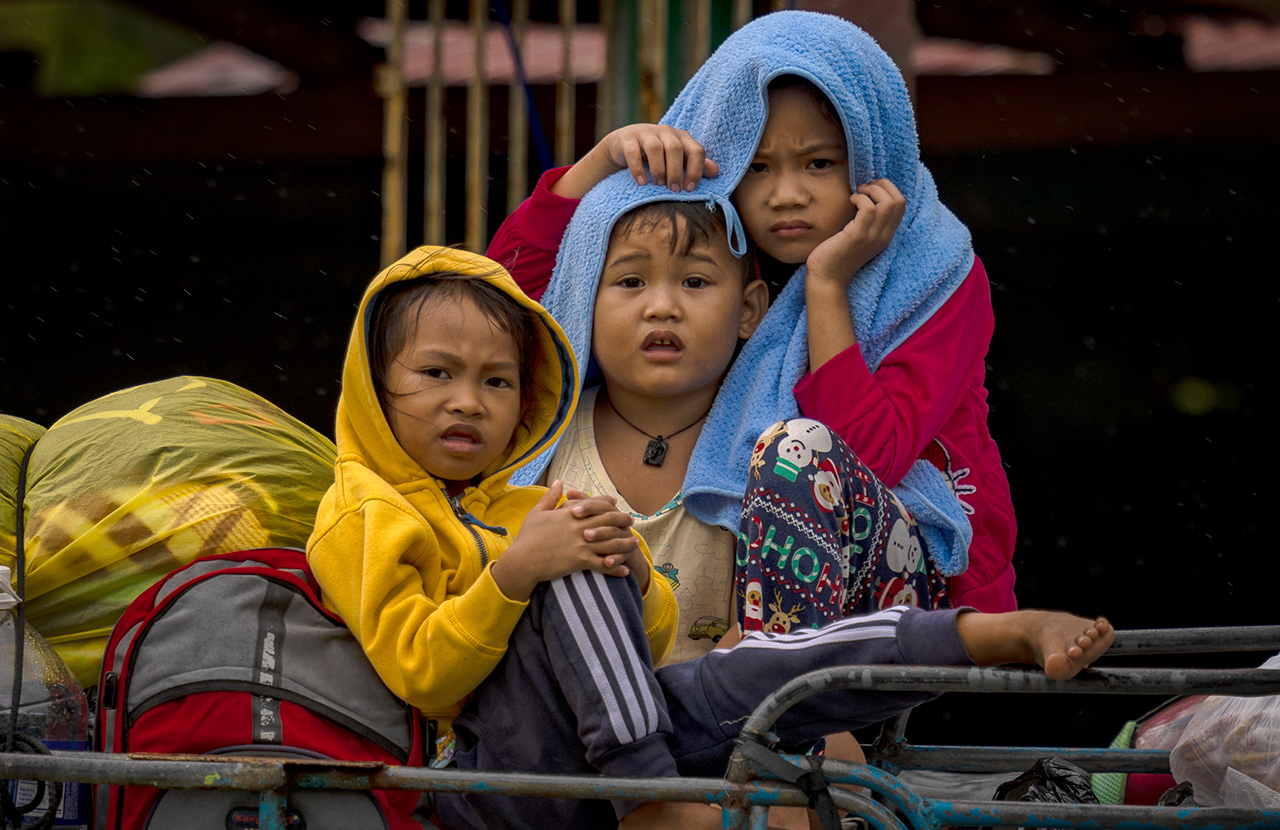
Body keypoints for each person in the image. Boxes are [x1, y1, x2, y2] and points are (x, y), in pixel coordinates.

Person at [306, 244, 1115, 830]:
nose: (467, 403)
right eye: (436, 375)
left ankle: (980, 637)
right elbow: (424, 676)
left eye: (496, 382)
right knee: (570, 567)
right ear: (376, 390)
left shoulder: (517, 505)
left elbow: (648, 641)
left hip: (618, 739)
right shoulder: (366, 512)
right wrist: (515, 577)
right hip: (504, 777)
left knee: (761, 675)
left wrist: (634, 574)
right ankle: (652, 796)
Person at [489, 10, 1017, 624]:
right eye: (759, 167)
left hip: (922, 584)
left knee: (795, 452)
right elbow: (507, 310)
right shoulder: (721, 243)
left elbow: (865, 460)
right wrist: (600, 164)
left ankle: (766, 687)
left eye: (818, 164)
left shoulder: (934, 273)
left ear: (873, 152)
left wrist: (826, 285)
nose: (785, 194)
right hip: (744, 609)